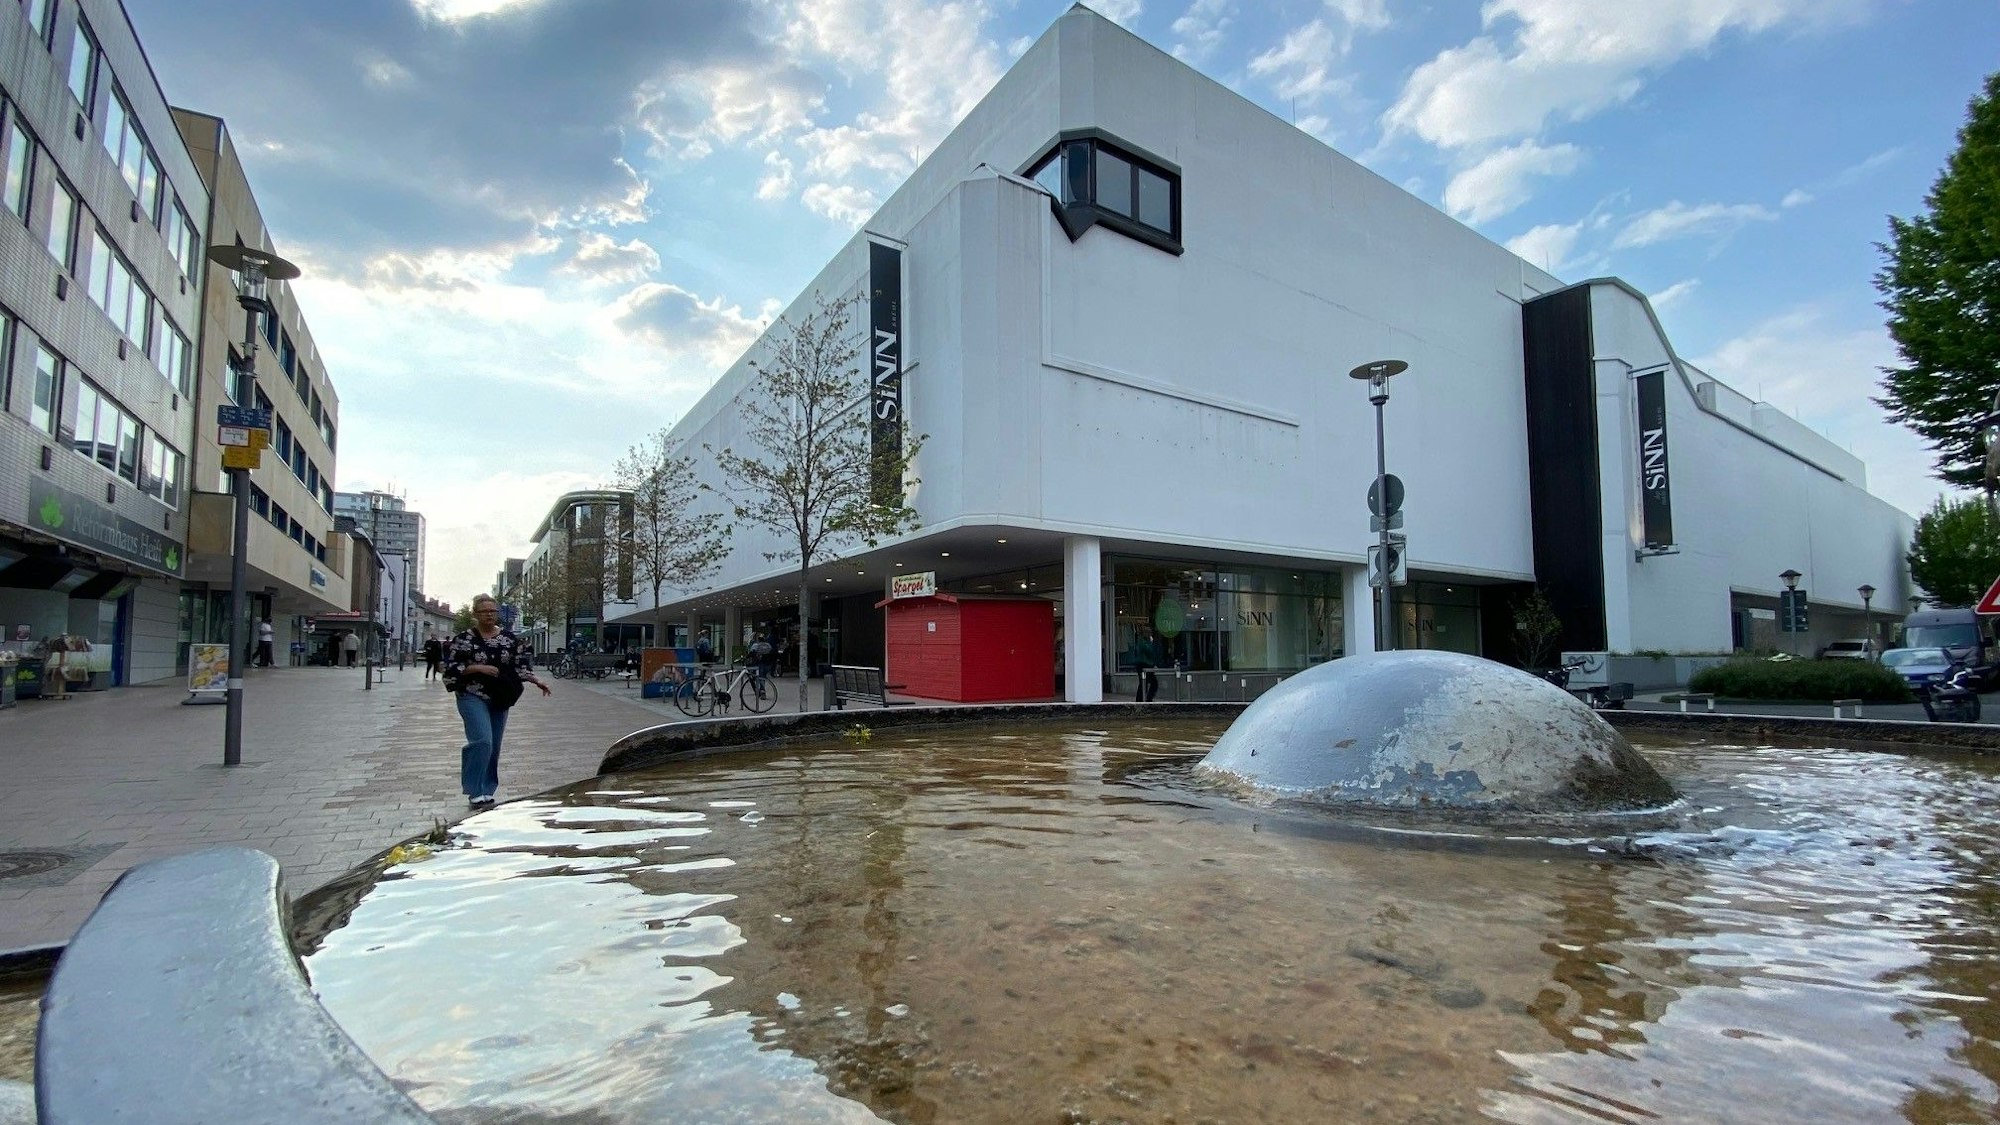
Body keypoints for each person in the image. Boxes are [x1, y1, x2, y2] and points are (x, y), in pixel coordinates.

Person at [443, 593, 550, 808]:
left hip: (500, 696)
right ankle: (474, 789)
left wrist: (536, 680)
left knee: (494, 746)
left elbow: (520, 665)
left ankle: (487, 787)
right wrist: (476, 667)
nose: (489, 615)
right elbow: (448, 668)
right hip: (471, 695)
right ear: (475, 614)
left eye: (493, 611)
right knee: (482, 741)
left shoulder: (509, 639)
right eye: (484, 611)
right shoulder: (464, 639)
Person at [1132, 625, 1165, 702]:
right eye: (1147, 632)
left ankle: (1145, 699)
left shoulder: (1147, 641)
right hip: (1143, 664)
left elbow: (1154, 653)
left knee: (1148, 683)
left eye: (1150, 632)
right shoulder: (1142, 641)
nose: (1149, 633)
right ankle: (1143, 700)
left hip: (1148, 664)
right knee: (1146, 683)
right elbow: (1148, 651)